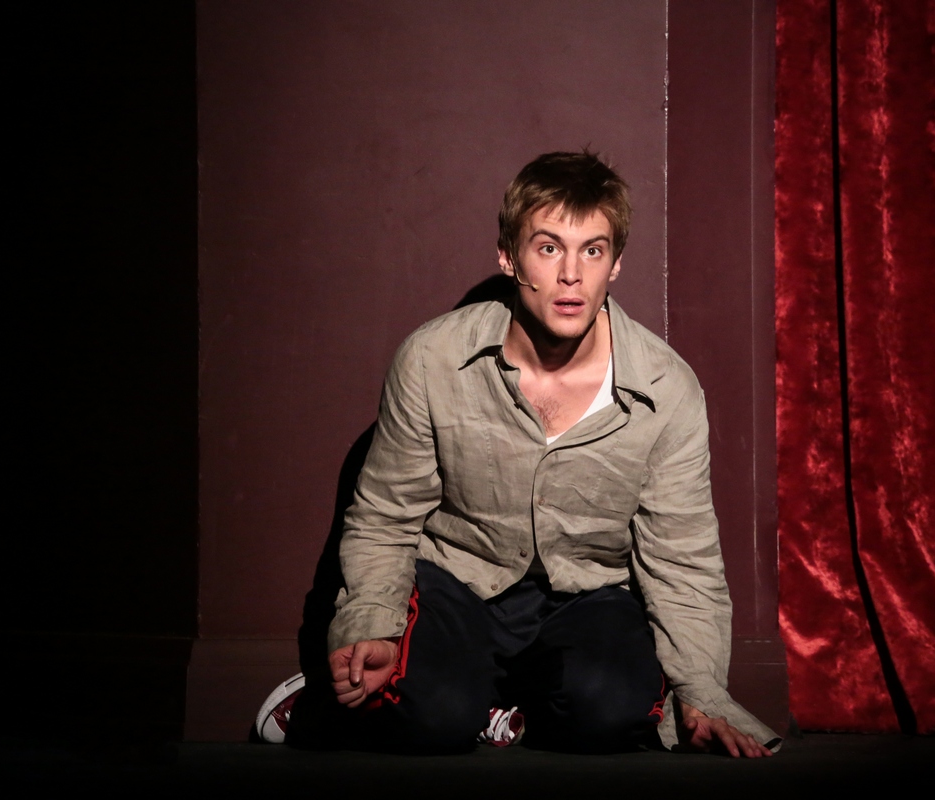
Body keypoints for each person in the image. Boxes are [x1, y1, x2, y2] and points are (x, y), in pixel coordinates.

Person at [324, 151, 779, 756]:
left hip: (586, 596)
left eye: (592, 250)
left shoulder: (666, 390)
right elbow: (385, 515)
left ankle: (502, 705)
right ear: (508, 257)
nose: (571, 275)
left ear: (615, 263)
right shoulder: (433, 359)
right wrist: (371, 624)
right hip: (459, 580)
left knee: (614, 714)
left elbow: (682, 559)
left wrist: (701, 691)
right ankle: (419, 701)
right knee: (433, 718)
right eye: (548, 248)